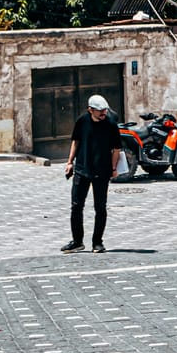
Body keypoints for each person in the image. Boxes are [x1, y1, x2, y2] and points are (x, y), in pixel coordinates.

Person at [62, 94, 122, 253]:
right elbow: (76, 142)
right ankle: (77, 241)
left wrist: (114, 169)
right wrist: (69, 162)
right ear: (90, 110)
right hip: (82, 169)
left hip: (102, 171)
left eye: (105, 110)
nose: (103, 113)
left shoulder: (111, 125)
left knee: (100, 208)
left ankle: (97, 242)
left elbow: (116, 149)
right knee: (76, 206)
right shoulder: (82, 121)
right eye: (100, 111)